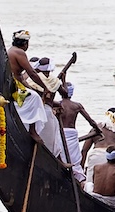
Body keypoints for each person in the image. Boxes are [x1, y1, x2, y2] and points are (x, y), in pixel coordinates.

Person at [6, 30, 70, 169]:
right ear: (25, 43)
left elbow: (23, 78)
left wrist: (35, 89)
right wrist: (44, 88)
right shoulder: (19, 52)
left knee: (34, 94)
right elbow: (32, 73)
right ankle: (33, 131)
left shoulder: (11, 50)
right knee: (35, 98)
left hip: (14, 85)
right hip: (14, 88)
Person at [55, 82, 100, 183]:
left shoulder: (57, 104)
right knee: (74, 161)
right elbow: (91, 121)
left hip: (60, 134)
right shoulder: (76, 106)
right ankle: (77, 180)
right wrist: (98, 129)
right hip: (70, 134)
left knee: (61, 156)